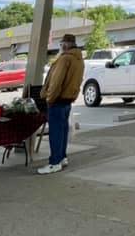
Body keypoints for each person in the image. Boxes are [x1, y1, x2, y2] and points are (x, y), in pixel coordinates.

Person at [37, 34, 85, 175]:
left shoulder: (64, 59)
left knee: (56, 133)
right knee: (63, 131)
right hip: (67, 100)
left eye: (62, 43)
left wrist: (49, 98)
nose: (61, 46)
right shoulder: (79, 59)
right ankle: (62, 157)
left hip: (57, 101)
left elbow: (56, 82)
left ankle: (54, 162)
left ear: (65, 44)